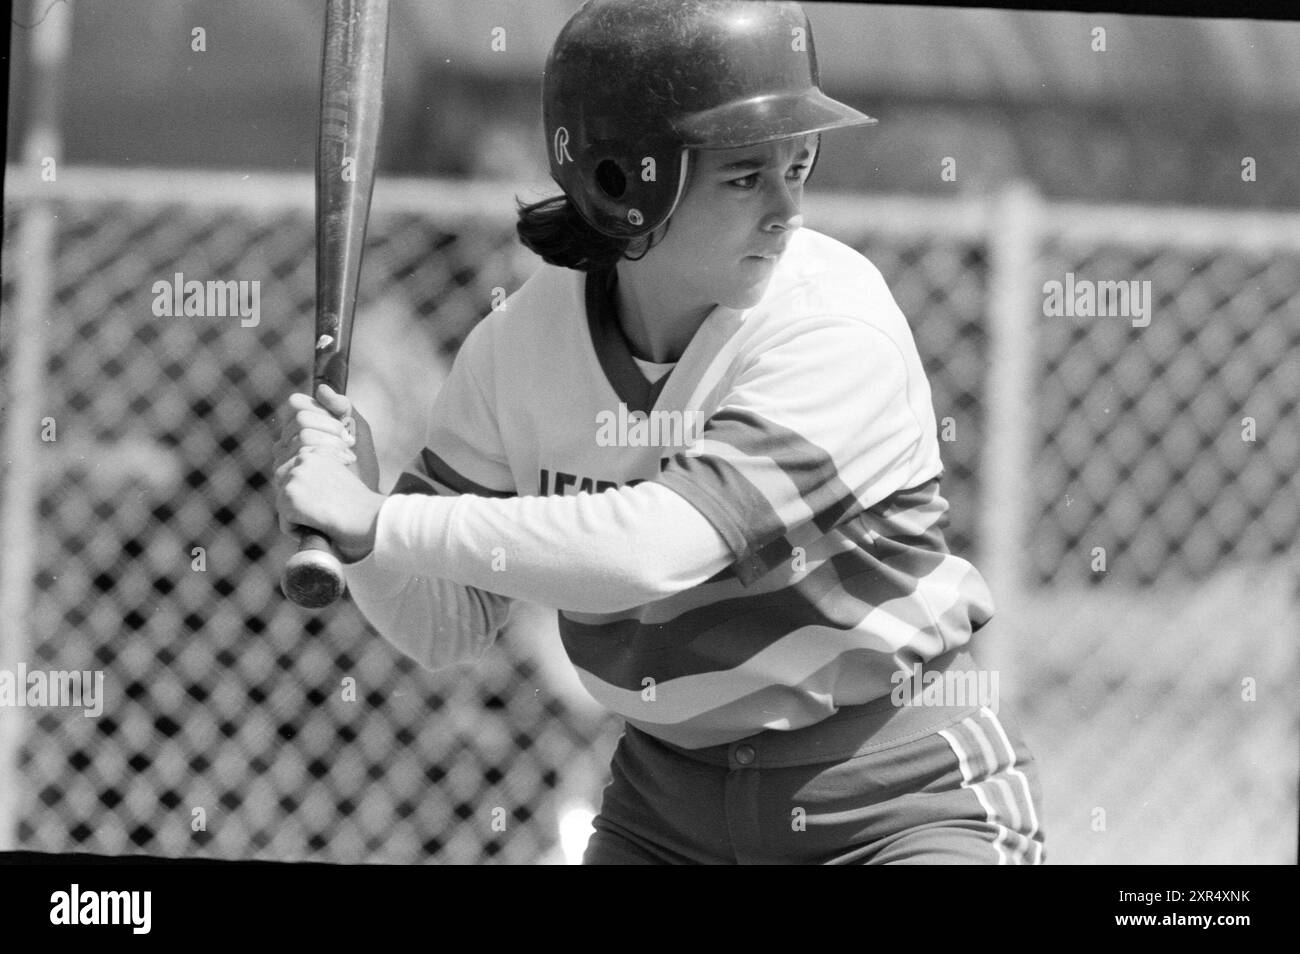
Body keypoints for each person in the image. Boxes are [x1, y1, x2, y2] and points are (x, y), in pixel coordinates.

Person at [273, 0, 1045, 864]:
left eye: (800, 165)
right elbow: (443, 625)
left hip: (896, 799)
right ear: (621, 185)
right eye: (746, 176)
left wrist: (382, 521)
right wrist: (363, 537)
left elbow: (657, 548)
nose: (787, 208)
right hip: (665, 811)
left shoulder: (832, 325)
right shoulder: (516, 348)